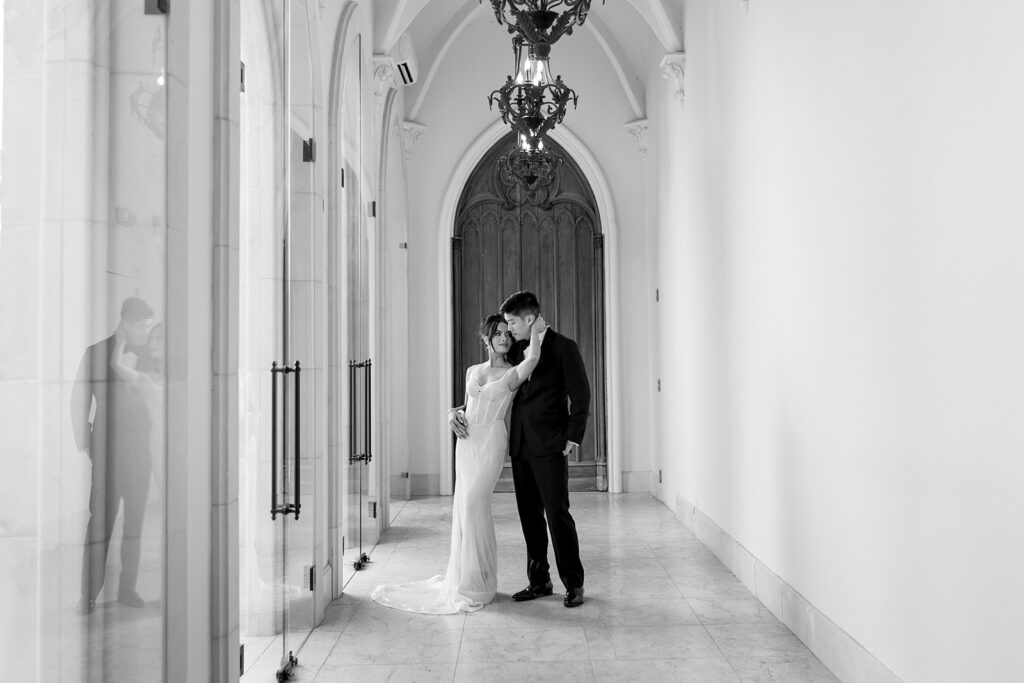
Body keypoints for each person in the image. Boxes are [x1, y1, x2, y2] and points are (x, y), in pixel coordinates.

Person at [371, 313, 546, 614]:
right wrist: (451, 415)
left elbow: (533, 358)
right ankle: (469, 580)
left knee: (474, 505)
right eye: (498, 333)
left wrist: (535, 329)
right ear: (486, 338)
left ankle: (480, 583)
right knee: (465, 509)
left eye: (507, 333)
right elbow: (466, 407)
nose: (504, 338)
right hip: (466, 445)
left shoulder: (513, 372)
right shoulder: (472, 371)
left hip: (491, 443)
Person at [496, 290, 590, 607]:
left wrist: (572, 438)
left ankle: (574, 584)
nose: (509, 329)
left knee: (557, 515)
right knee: (529, 517)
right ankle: (539, 582)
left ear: (530, 319)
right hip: (520, 445)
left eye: (512, 322)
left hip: (550, 446)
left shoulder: (564, 348)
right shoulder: (517, 350)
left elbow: (581, 396)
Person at [71, 297, 155, 615]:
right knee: (100, 524)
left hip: (141, 454)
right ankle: (88, 594)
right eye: (143, 326)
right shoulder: (96, 353)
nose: (147, 332)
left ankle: (127, 588)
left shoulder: (150, 353)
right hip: (107, 453)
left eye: (150, 326)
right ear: (126, 323)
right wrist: (86, 442)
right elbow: (79, 398)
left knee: (135, 522)